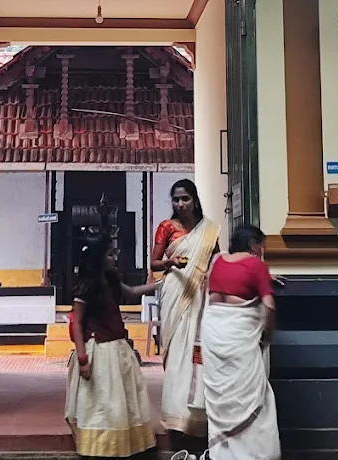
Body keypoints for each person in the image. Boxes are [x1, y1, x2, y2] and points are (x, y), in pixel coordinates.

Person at [67, 230, 159, 458]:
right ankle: (100, 447)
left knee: (121, 403)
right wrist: (82, 359)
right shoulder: (87, 286)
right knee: (103, 404)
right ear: (98, 257)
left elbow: (133, 291)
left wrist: (164, 282)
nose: (114, 258)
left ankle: (122, 444)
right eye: (109, 254)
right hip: (99, 353)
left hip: (118, 350)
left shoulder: (110, 281)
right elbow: (77, 324)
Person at [199, 224, 280, 460]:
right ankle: (254, 454)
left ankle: (222, 454)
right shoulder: (257, 264)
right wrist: (268, 332)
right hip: (241, 338)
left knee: (221, 398)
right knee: (252, 397)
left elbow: (209, 291)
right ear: (255, 245)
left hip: (213, 335)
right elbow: (269, 305)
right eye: (263, 246)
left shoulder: (216, 261)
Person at [151, 179, 220, 439]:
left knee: (196, 351)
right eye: (176, 199)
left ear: (195, 200)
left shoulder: (208, 230)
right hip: (175, 294)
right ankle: (175, 412)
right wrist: (170, 262)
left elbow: (215, 261)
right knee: (177, 350)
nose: (180, 204)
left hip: (200, 295)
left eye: (185, 199)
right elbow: (154, 264)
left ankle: (197, 411)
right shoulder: (166, 228)